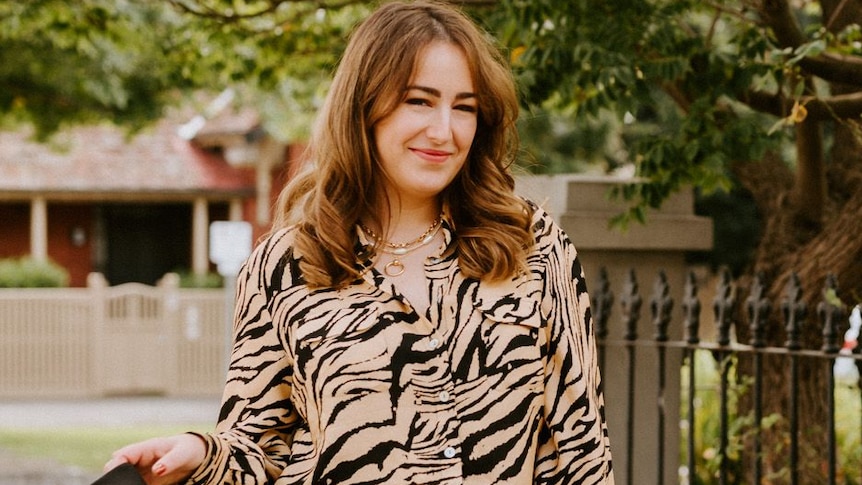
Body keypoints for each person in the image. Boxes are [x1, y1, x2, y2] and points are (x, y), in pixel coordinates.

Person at [103, 1, 614, 483]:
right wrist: (203, 452)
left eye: (465, 108)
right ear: (363, 107)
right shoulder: (285, 264)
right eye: (419, 101)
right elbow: (260, 447)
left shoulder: (533, 244)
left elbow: (581, 441)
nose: (444, 130)